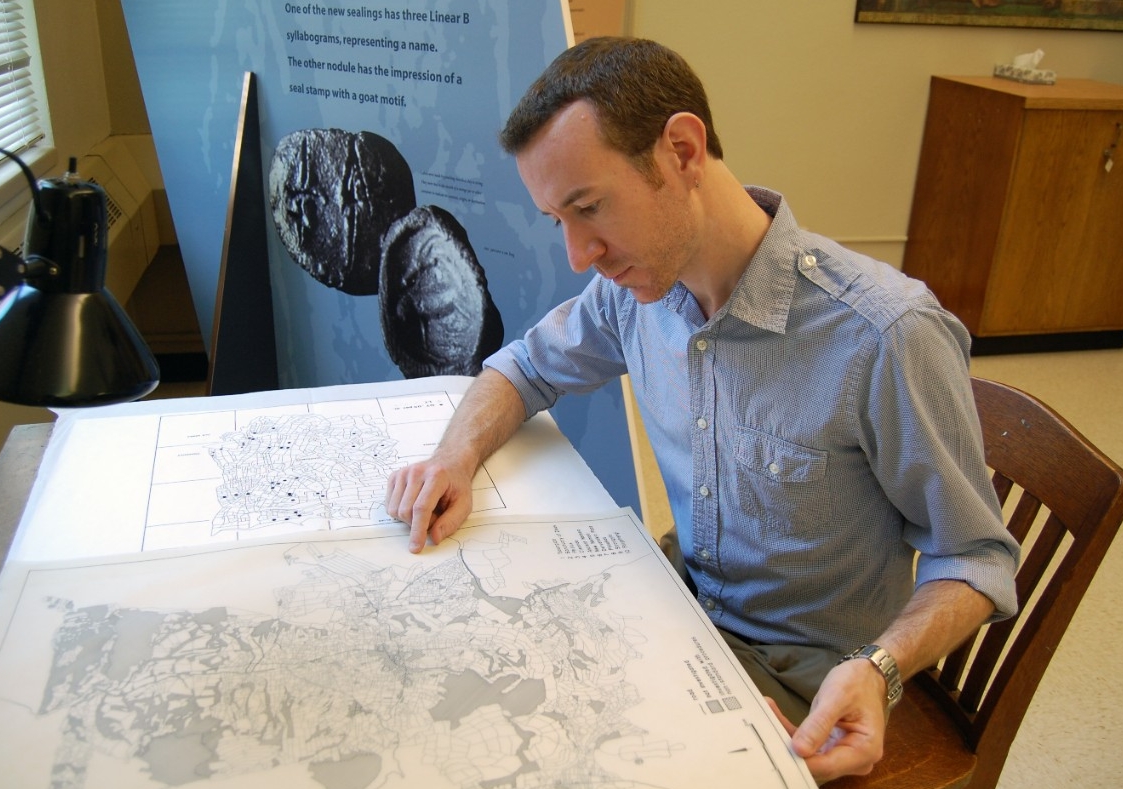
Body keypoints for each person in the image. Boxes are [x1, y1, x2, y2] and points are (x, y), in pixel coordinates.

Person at [384, 36, 1019, 783]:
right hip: (677, 607)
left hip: (801, 682)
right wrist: (453, 455)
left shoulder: (884, 334)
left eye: (588, 207)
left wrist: (880, 666)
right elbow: (522, 367)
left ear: (682, 151)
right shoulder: (636, 291)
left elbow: (976, 557)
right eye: (559, 219)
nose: (578, 255)